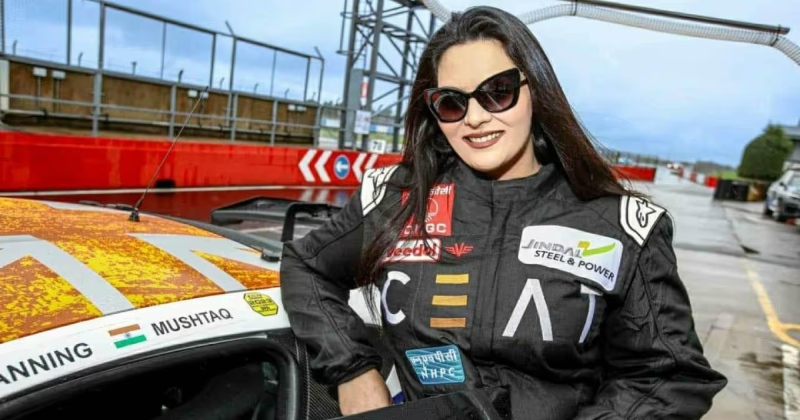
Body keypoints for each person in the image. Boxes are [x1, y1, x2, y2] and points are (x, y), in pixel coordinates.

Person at [279, 5, 727, 420]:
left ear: (537, 92)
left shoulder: (621, 225)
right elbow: (306, 266)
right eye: (452, 102)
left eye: (497, 92)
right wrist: (353, 370)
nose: (473, 117)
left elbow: (668, 377)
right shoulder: (396, 199)